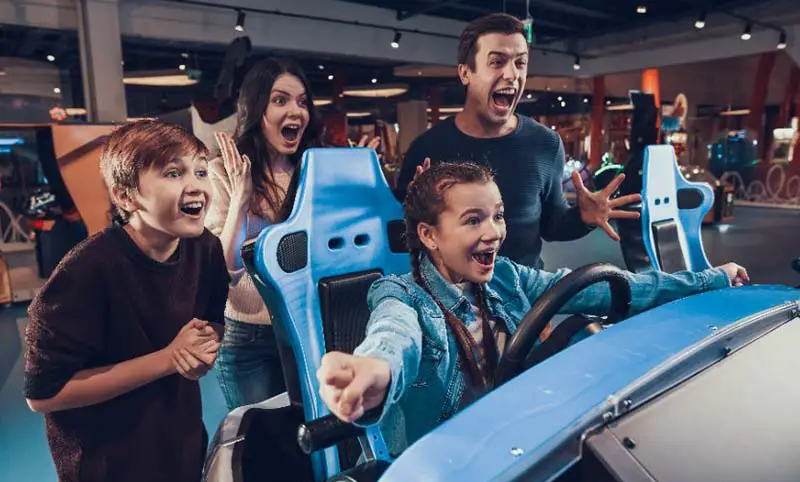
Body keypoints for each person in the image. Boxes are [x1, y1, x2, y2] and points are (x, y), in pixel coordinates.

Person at [317, 161, 749, 455]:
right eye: (473, 220)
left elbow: (618, 288)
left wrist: (713, 278)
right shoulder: (402, 294)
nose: (494, 233)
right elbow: (395, 335)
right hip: (445, 464)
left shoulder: (506, 277)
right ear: (429, 235)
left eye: (498, 216)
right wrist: (379, 368)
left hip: (515, 443)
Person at [23, 119, 230, 482]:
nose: (197, 184)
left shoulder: (206, 250)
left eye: (200, 170)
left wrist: (202, 350)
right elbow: (42, 394)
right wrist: (169, 359)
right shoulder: (83, 273)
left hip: (181, 460)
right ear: (125, 196)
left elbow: (211, 325)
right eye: (173, 172)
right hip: (107, 478)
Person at [395, 13, 639, 269]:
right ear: (466, 73)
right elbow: (403, 241)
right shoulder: (427, 149)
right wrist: (413, 213)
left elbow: (552, 226)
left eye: (520, 63)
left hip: (526, 298)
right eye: (497, 62)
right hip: (452, 299)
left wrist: (583, 218)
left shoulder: (545, 143)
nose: (512, 74)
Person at [206, 58, 383, 411]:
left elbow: (342, 246)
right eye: (280, 100)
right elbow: (225, 269)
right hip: (249, 337)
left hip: (311, 323)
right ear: (257, 109)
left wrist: (360, 187)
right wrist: (241, 199)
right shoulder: (223, 171)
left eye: (303, 102)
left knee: (316, 434)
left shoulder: (317, 170)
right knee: (264, 444)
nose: (296, 111)